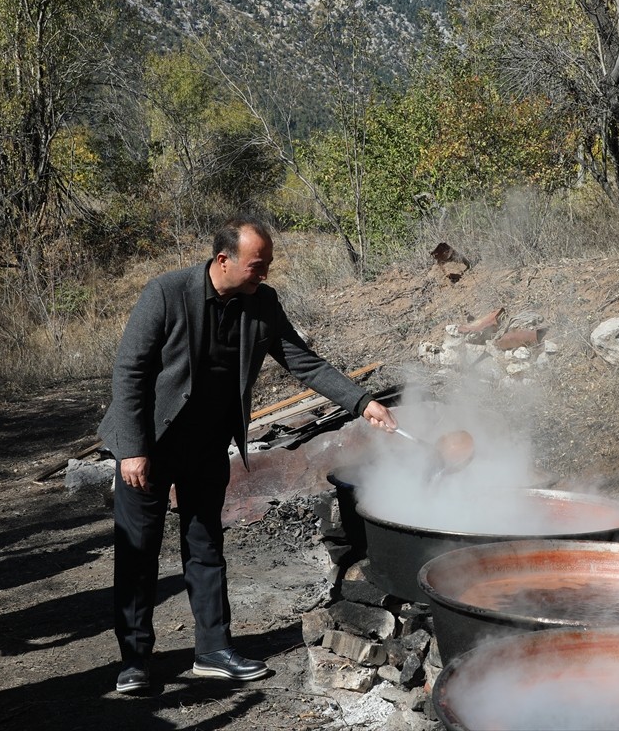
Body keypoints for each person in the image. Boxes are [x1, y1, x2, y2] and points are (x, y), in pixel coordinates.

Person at [97, 215, 397, 694]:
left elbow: (303, 361)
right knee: (139, 552)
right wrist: (132, 450)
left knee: (205, 546)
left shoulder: (263, 303)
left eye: (267, 264)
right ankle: (135, 660)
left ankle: (213, 651)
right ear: (223, 260)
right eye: (257, 265)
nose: (265, 273)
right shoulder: (166, 293)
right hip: (150, 444)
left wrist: (362, 403)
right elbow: (129, 372)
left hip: (207, 444)